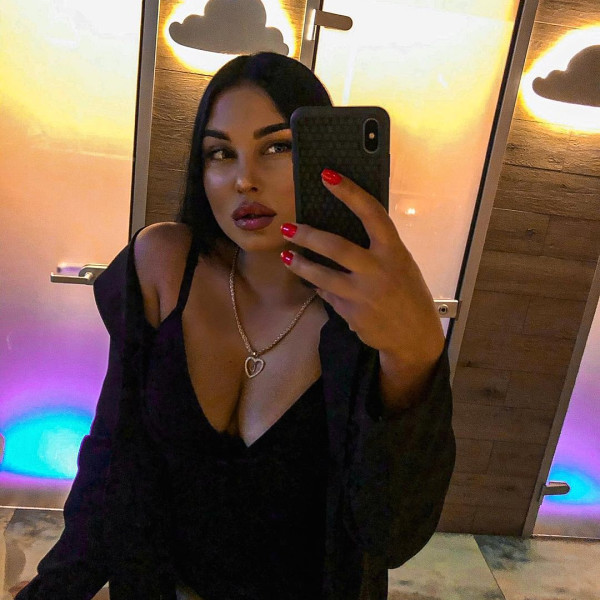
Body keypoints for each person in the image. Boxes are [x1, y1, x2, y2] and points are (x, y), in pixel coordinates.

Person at [16, 52, 455, 600]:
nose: (244, 180)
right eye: (220, 153)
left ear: (322, 158)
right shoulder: (164, 265)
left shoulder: (366, 317)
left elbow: (388, 535)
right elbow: (114, 457)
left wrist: (415, 358)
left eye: (277, 147)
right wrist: (54, 588)